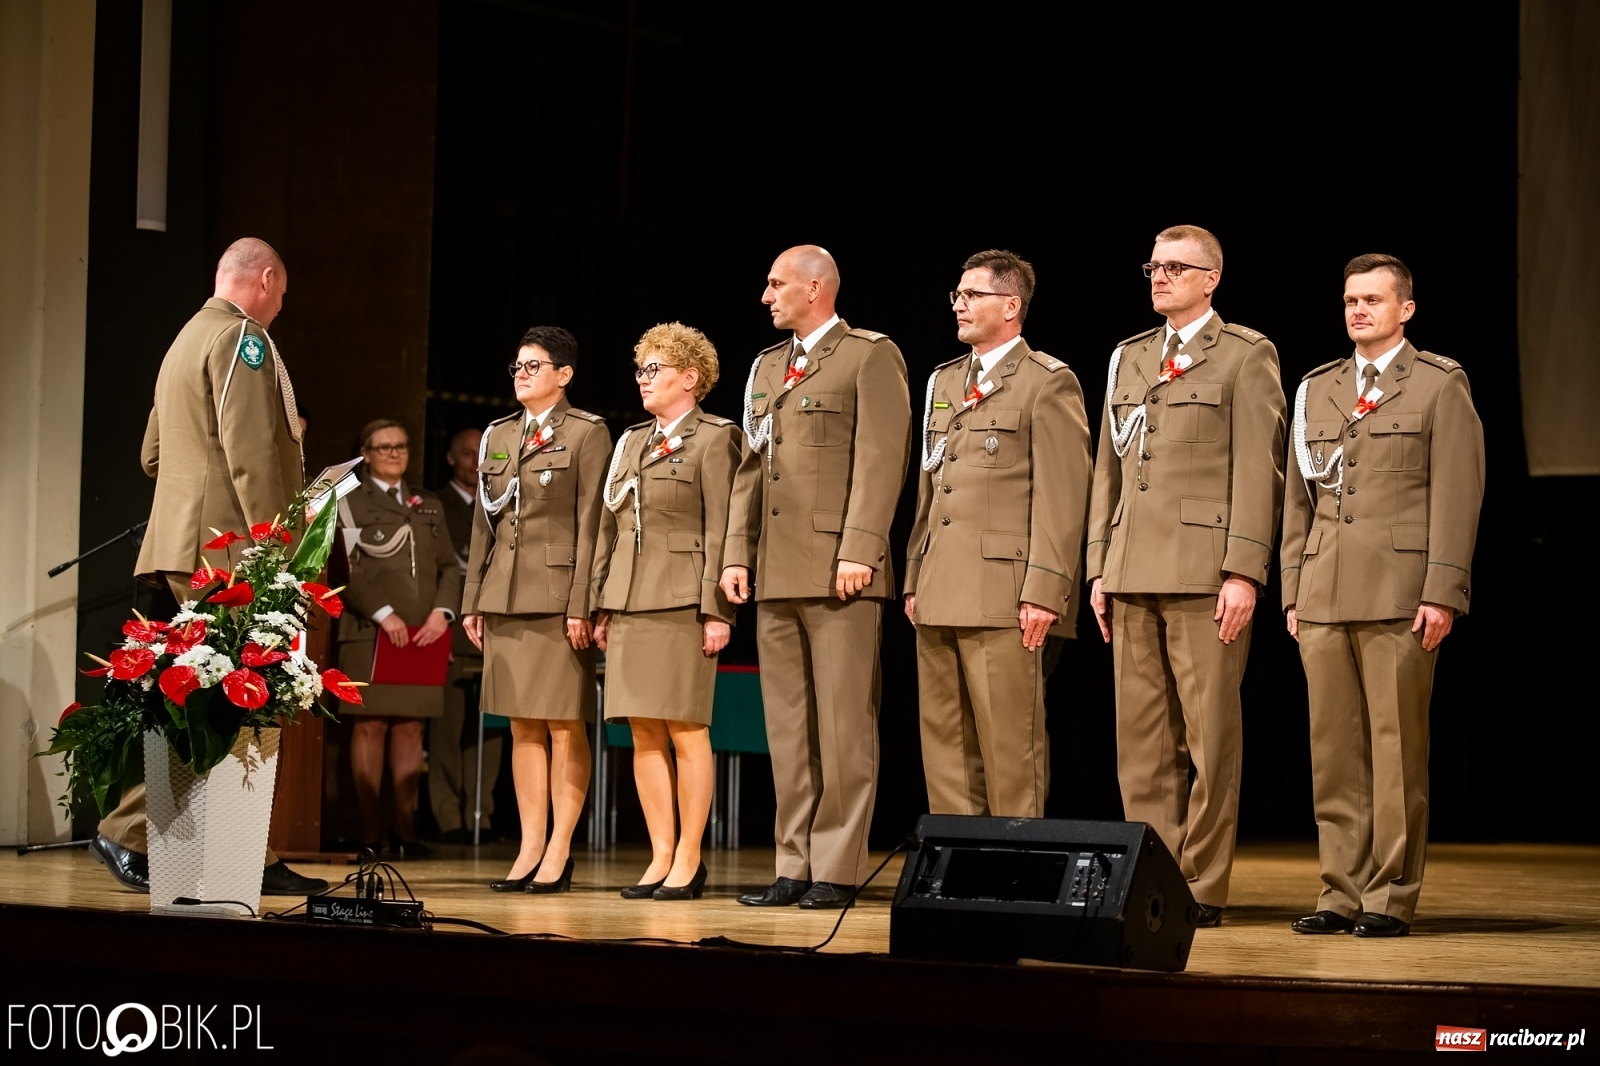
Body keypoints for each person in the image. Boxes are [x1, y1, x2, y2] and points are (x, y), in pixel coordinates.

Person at [90, 238, 327, 897]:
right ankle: (228, 846)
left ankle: (168, 836)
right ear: (267, 278)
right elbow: (250, 452)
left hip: (178, 545)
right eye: (282, 291)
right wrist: (274, 548)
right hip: (224, 552)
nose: (281, 303)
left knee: (188, 695)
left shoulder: (183, 341)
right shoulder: (243, 340)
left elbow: (150, 454)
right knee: (247, 698)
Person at [1085, 225, 1285, 927]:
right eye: (1153, 266)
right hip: (1132, 567)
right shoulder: (1129, 357)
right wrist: (1098, 567)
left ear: (1211, 279)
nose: (1160, 277)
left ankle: (1202, 884)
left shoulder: (1244, 355)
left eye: (1176, 267)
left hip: (1205, 573)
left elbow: (1260, 471)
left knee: (1208, 736)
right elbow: (1108, 469)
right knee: (1140, 743)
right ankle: (1154, 875)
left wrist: (1244, 571)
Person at [1282, 255, 1483, 938]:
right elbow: (1296, 504)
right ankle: (1339, 890)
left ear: (1406, 309)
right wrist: (1293, 591)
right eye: (1350, 301)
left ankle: (1389, 895)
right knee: (1334, 751)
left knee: (1396, 752)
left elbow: (1459, 494)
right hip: (1323, 592)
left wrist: (1443, 591)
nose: (1359, 311)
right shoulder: (1320, 387)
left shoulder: (1437, 385)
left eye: (1372, 300)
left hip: (1401, 593)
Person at [721, 245, 911, 909]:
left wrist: (860, 547)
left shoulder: (867, 354)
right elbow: (751, 467)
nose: (766, 296)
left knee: (843, 726)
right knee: (789, 728)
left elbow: (884, 458)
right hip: (775, 570)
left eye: (777, 284)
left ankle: (837, 864)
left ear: (816, 287)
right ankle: (792, 862)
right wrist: (736, 553)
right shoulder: (767, 367)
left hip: (840, 571)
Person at [903, 250, 1092, 818]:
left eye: (972, 295)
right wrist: (915, 575)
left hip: (1006, 596)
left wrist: (1045, 591)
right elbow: (930, 489)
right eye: (957, 294)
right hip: (939, 588)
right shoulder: (945, 380)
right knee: (945, 746)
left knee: (1011, 747)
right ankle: (958, 871)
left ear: (1011, 306)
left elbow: (1064, 501)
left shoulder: (1047, 383)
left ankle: (1017, 870)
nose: (958, 304)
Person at [592, 323, 742, 900]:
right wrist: (604, 604)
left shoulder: (714, 438)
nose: (643, 380)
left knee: (685, 730)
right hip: (630, 601)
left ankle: (689, 856)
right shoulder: (631, 441)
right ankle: (659, 854)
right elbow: (611, 527)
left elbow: (723, 527)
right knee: (641, 733)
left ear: (691, 378)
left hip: (683, 600)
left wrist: (717, 611)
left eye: (655, 370)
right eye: (640, 370)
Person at [462, 326, 609, 892]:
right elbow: (484, 524)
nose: (521, 374)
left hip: (556, 599)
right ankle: (529, 847)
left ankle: (559, 850)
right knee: (522, 724)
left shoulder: (587, 432)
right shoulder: (499, 434)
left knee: (564, 725)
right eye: (517, 366)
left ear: (563, 374)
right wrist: (474, 598)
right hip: (505, 595)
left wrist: (583, 603)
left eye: (533, 365)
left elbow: (594, 524)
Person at [334, 419, 462, 856]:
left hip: (423, 634)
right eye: (384, 447)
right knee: (369, 727)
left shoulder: (426, 503)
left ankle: (406, 831)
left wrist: (443, 614)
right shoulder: (348, 501)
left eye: (401, 447)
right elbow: (344, 567)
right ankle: (369, 832)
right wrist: (382, 613)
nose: (394, 454)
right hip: (370, 631)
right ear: (365, 453)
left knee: (411, 730)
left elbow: (449, 566)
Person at [430, 427, 505, 843]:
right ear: (450, 458)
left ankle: (482, 815)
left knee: (489, 734)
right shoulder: (435, 504)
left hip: (494, 635)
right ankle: (447, 817)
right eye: (467, 454)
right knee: (447, 733)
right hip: (453, 636)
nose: (475, 462)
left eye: (484, 455)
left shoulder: (504, 502)